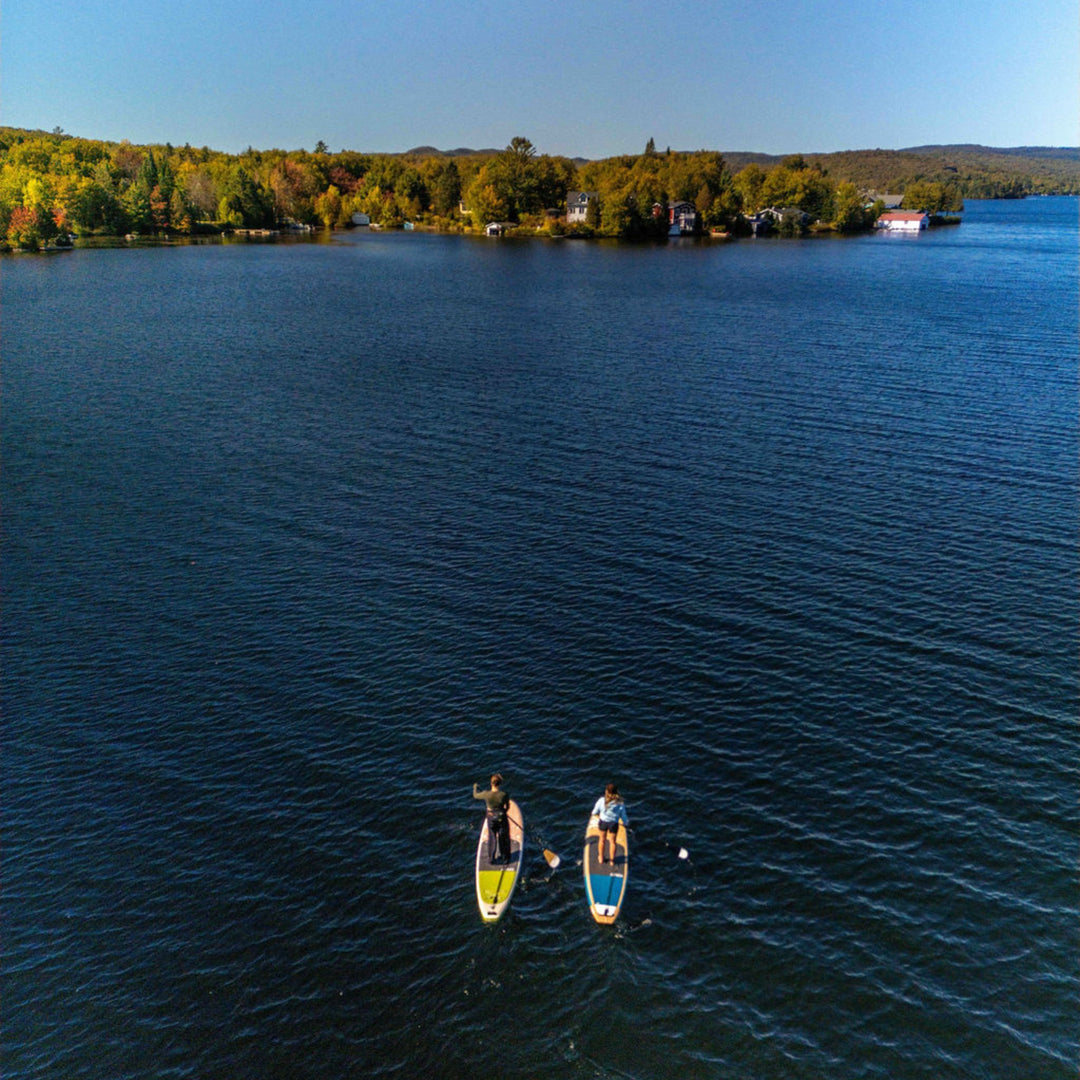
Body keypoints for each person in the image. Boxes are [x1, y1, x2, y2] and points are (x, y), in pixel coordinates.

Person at [473, 773, 511, 864]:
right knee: (503, 837)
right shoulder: (504, 794)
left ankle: (491, 859)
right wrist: (504, 811)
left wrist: (475, 787)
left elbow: (475, 795)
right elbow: (507, 806)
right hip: (501, 816)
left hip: (491, 817)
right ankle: (505, 859)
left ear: (491, 783)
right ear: (500, 783)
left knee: (492, 837)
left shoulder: (486, 794)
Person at [592, 782, 629, 864]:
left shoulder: (602, 800)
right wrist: (626, 823)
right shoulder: (620, 803)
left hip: (603, 822)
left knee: (602, 840)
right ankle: (612, 861)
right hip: (614, 824)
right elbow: (623, 815)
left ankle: (601, 858)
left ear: (607, 791)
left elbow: (594, 812)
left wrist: (595, 815)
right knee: (613, 842)